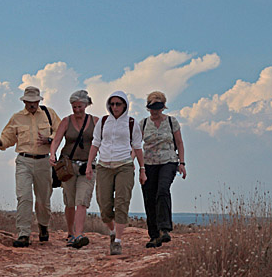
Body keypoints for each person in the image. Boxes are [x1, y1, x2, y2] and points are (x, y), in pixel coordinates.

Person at [0, 86, 60, 247]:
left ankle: (43, 226)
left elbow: (59, 131)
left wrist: (50, 139)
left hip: (44, 162)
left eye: (34, 101)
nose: (32, 104)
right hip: (24, 161)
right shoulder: (17, 118)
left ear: (39, 100)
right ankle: (23, 234)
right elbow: (8, 137)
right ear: (24, 101)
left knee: (43, 200)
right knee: (24, 197)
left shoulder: (49, 114)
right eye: (29, 101)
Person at [86, 91, 146, 255]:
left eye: (118, 104)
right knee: (104, 205)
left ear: (125, 105)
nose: (114, 107)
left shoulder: (132, 123)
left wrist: (142, 169)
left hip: (124, 166)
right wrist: (89, 164)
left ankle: (117, 241)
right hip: (104, 166)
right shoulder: (103, 121)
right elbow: (95, 143)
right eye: (112, 104)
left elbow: (138, 147)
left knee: (122, 201)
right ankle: (112, 231)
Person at [49, 90, 99, 249]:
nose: (77, 110)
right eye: (74, 107)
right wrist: (52, 154)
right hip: (68, 166)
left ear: (86, 105)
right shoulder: (66, 121)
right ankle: (70, 233)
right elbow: (56, 140)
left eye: (79, 107)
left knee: (82, 201)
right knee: (70, 201)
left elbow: (102, 141)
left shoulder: (95, 121)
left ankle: (79, 234)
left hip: (88, 166)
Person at [140, 91, 186, 248]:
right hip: (148, 164)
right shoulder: (143, 124)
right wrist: (132, 163)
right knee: (149, 197)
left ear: (163, 107)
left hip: (168, 161)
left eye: (158, 107)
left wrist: (182, 163)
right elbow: (135, 146)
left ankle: (164, 228)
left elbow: (179, 143)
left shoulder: (172, 122)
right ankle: (154, 236)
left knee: (163, 190)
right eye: (152, 107)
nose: (155, 110)